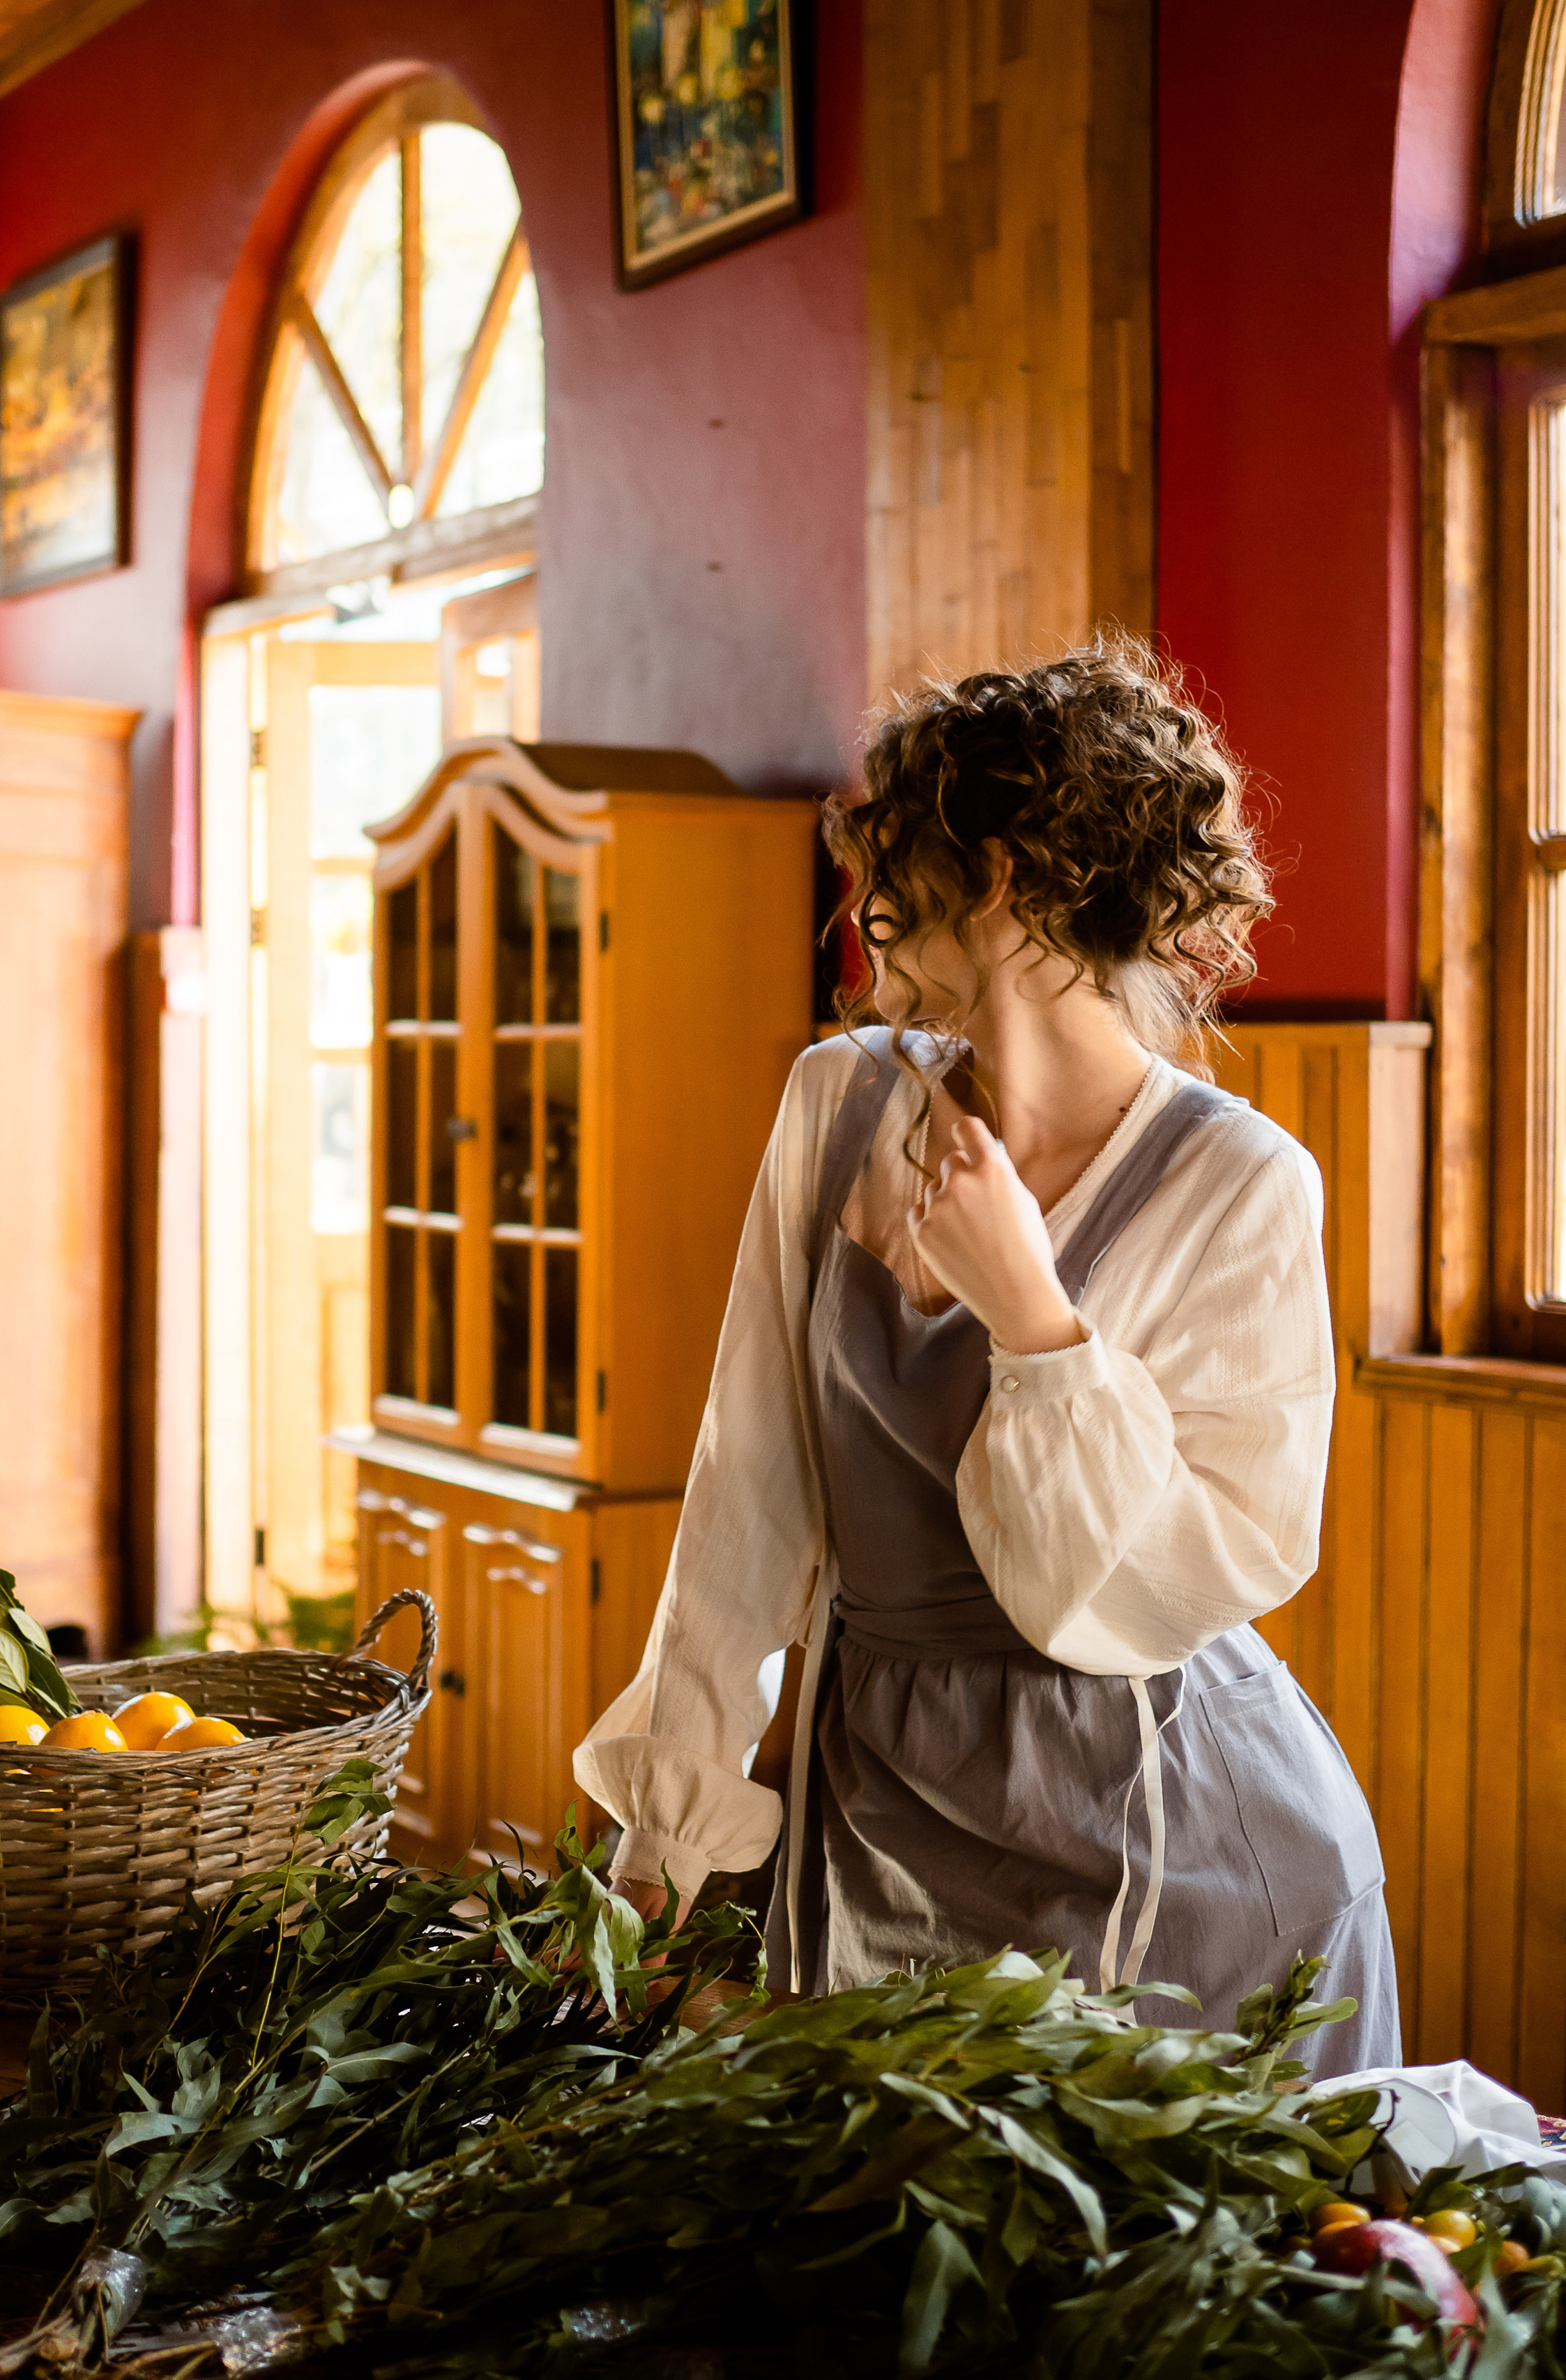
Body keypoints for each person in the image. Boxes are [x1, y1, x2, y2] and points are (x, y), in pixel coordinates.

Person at [573, 639, 1400, 2075]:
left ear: (1001, 878)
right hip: (878, 1819)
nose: (866, 923)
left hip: (1165, 1848)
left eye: (891, 879)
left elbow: (1155, 1584)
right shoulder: (834, 1102)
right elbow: (746, 1493)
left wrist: (1034, 1322)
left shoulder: (1238, 1184)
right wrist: (664, 1832)